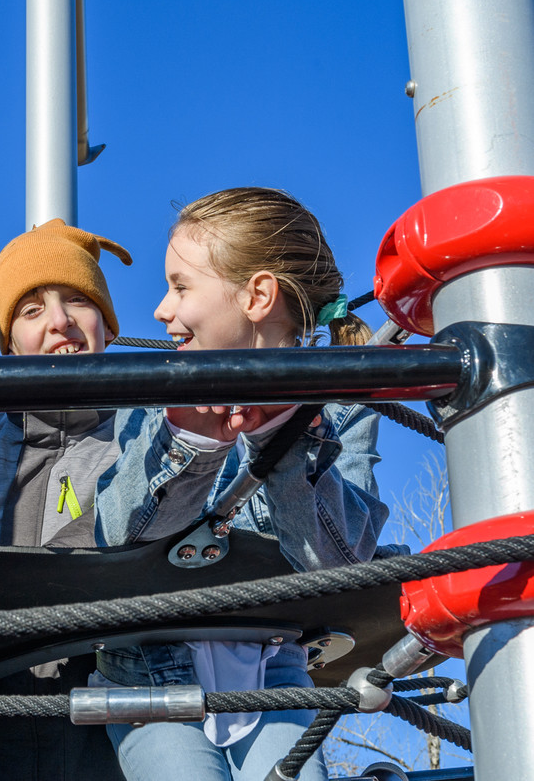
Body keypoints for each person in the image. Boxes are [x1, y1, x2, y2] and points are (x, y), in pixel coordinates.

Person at [93, 187, 388, 781]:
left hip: (273, 664)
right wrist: (191, 445)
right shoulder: (151, 398)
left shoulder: (341, 408)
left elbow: (337, 565)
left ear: (257, 296)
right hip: (145, 668)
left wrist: (286, 439)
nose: (160, 309)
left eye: (180, 287)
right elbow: (117, 536)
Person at [0, 218, 130, 780]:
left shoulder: (145, 433)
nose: (60, 321)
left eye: (78, 300)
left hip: (118, 726)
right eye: (31, 310)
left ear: (108, 325)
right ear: (8, 343)